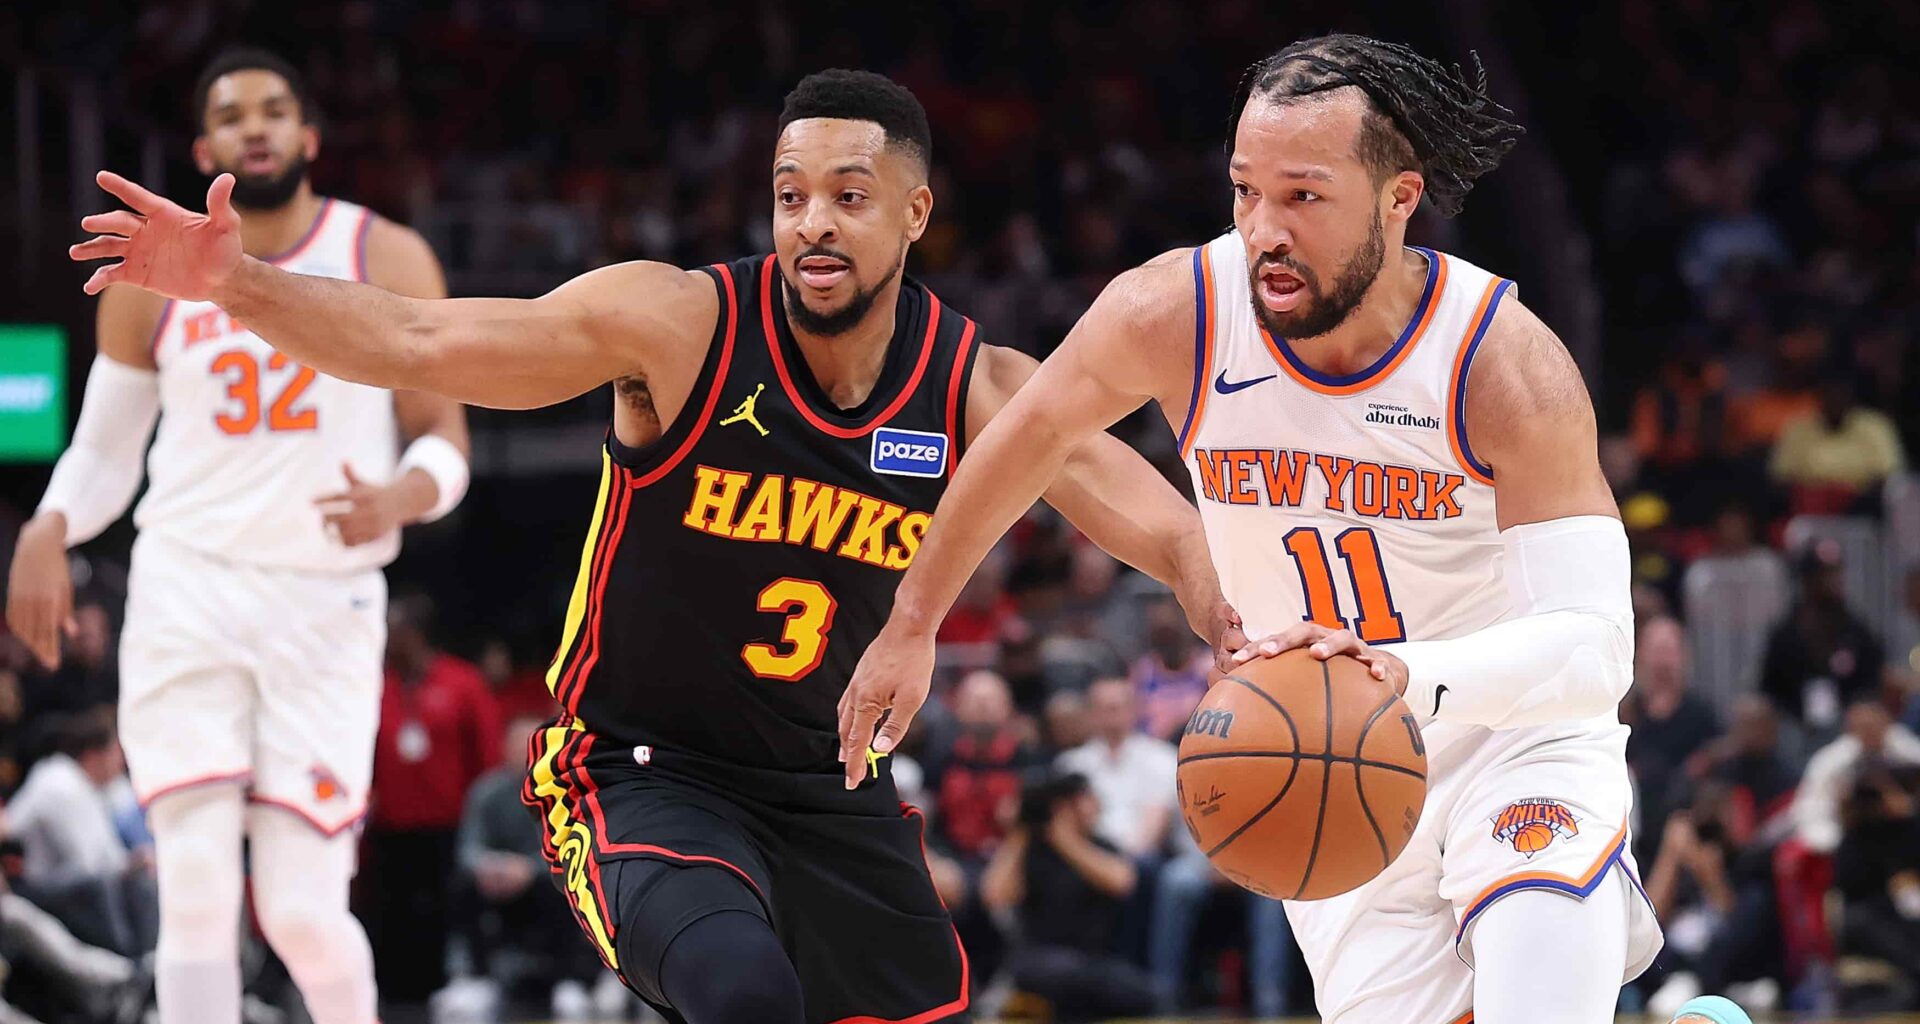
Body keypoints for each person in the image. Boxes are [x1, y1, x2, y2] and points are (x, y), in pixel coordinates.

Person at [67, 69, 1229, 1024]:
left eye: (849, 195)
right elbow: (420, 337)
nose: (813, 222)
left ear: (916, 214)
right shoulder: (677, 329)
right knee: (742, 996)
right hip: (640, 769)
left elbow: (1169, 526)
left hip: (832, 793)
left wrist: (1232, 621)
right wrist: (236, 282)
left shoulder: (975, 386)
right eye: (790, 194)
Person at [846, 34, 1664, 1024]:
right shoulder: (1177, 310)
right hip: (1323, 768)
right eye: (1245, 191)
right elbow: (1027, 440)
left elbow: (1594, 650)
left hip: (1514, 741)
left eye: (1303, 196)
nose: (1263, 228)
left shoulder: (1502, 364)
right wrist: (914, 619)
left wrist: (1404, 673)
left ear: (1399, 199)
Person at [15, 47, 470, 1024]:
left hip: (322, 602)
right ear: (203, 146)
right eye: (231, 115)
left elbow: (447, 441)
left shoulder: (382, 254)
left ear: (308, 137)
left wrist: (402, 496)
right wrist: (49, 525)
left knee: (303, 909)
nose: (253, 127)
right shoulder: (153, 274)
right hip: (187, 587)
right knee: (194, 892)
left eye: (273, 111)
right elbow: (103, 450)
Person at [361, 594, 500, 1005]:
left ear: (416, 634)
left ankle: (445, 987)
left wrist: (481, 818)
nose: (386, 638)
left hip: (447, 825)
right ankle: (388, 995)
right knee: (390, 914)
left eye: (394, 629)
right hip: (388, 827)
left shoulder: (462, 682)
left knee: (442, 911)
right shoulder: (374, 684)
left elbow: (487, 756)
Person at [979, 771, 1157, 1023]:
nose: (1092, 806)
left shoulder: (1100, 845)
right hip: (1039, 957)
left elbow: (1122, 881)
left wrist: (1065, 839)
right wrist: (1019, 831)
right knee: (1058, 970)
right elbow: (994, 895)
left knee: (1143, 992)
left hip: (1096, 960)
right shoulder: (1029, 848)